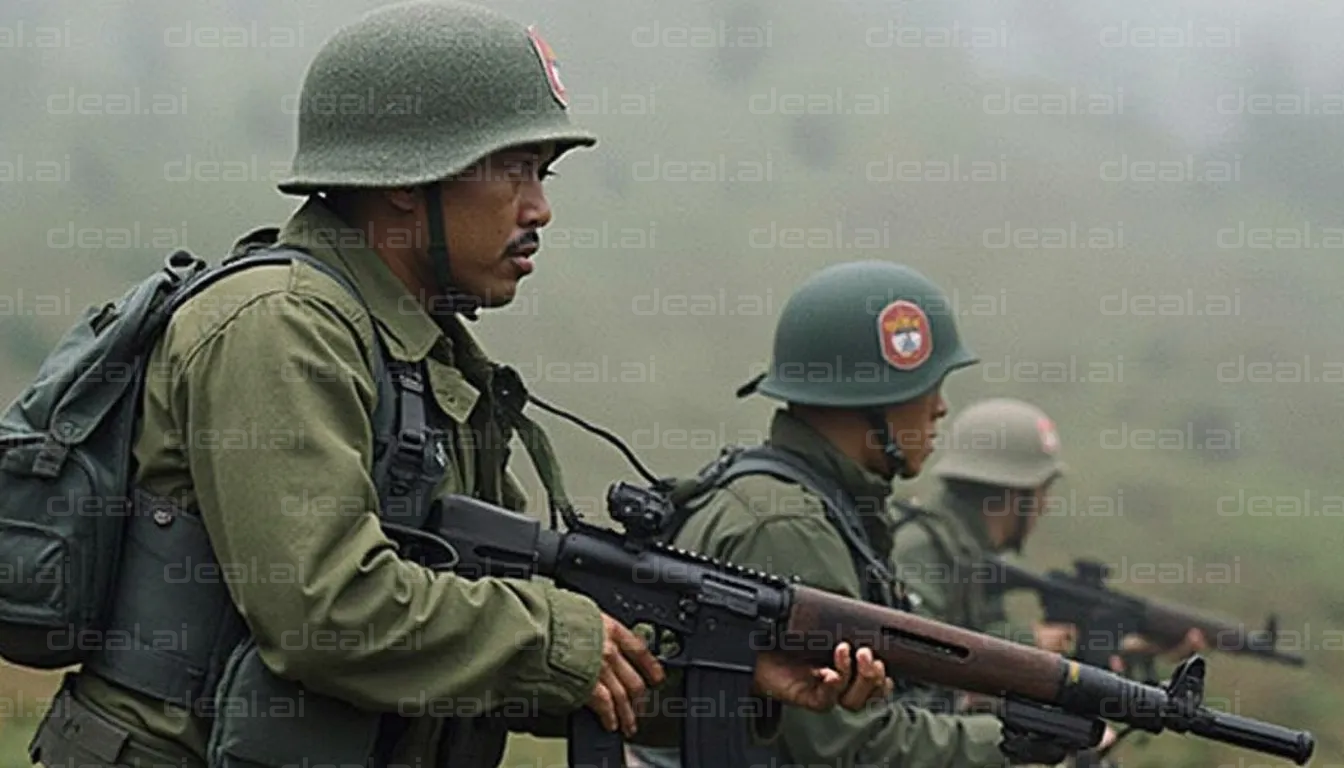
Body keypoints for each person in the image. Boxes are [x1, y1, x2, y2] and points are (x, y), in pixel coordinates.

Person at [24, 4, 889, 768]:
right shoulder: (281, 325)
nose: (539, 207)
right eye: (511, 168)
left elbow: (479, 659)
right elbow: (327, 614)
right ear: (405, 181)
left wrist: (735, 683)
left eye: (542, 174)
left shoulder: (428, 362)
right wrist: (559, 636)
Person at [628, 260, 1039, 768]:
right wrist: (1011, 742)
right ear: (872, 400)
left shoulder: (794, 501)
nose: (940, 409)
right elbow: (848, 749)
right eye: (925, 386)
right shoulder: (790, 528)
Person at [889, 397, 1206, 762]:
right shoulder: (923, 550)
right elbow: (923, 661)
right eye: (1043, 490)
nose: (1046, 505)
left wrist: (1120, 647)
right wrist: (1032, 642)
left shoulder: (963, 552)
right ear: (1016, 493)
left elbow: (984, 635)